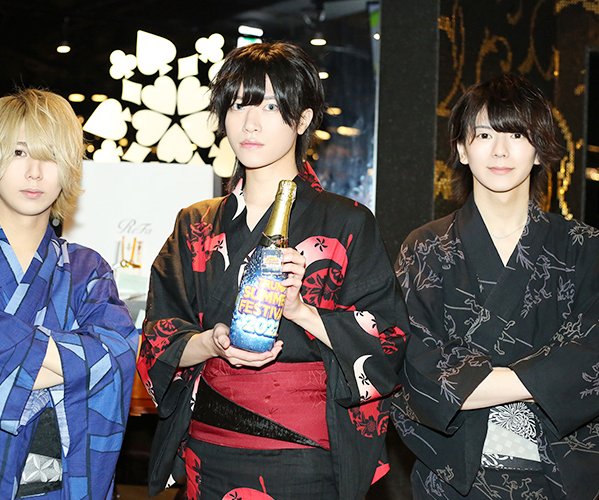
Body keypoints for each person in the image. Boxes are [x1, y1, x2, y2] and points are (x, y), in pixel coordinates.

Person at [138, 42, 408, 500]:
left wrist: (301, 311)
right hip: (209, 451)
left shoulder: (348, 221)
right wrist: (211, 343)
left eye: (270, 106)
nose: (250, 122)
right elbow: (159, 339)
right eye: (238, 105)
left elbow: (388, 342)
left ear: (303, 120)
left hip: (305, 457)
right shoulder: (195, 223)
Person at [0, 89, 139, 499]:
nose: (34, 172)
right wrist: (73, 362)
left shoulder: (88, 270)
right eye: (18, 152)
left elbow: (118, 352)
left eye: (50, 156)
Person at [391, 72, 599, 499]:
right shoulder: (426, 248)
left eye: (517, 134)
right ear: (461, 148)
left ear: (539, 149)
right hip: (451, 481)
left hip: (553, 478)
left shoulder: (583, 247)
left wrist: (475, 381)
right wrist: (544, 379)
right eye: (485, 134)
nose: (501, 151)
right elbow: (414, 366)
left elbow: (596, 360)